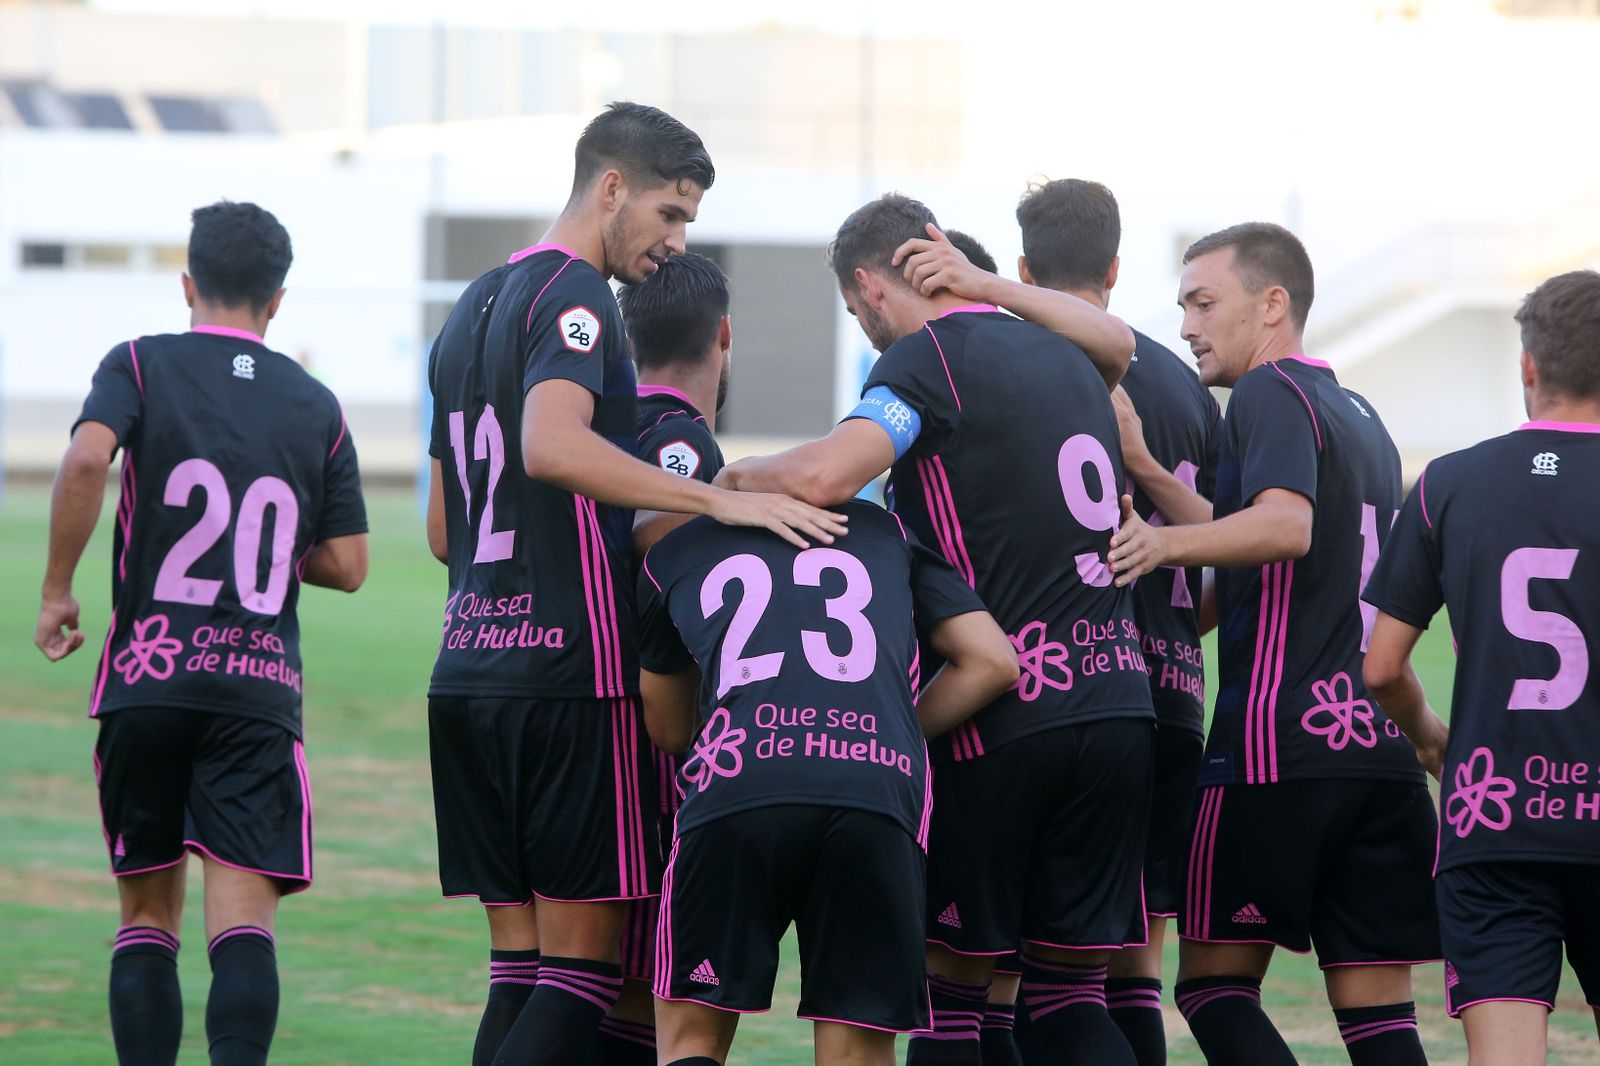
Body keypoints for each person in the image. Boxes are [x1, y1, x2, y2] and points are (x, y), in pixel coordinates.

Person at [422, 102, 847, 1066]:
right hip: (571, 681)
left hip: (469, 674)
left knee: (522, 974)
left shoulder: (470, 307)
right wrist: (715, 504)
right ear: (610, 188)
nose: (675, 240)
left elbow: (447, 528)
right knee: (584, 974)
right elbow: (550, 445)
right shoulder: (576, 302)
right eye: (669, 213)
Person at [720, 194, 1154, 1066]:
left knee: (951, 995)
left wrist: (733, 479)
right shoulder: (1071, 354)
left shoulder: (924, 364)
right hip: (1118, 703)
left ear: (873, 288)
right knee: (1069, 996)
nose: (866, 328)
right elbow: (1122, 344)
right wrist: (986, 280)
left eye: (855, 312)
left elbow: (827, 476)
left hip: (1007, 713)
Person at [34, 200, 369, 1066]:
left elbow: (82, 460)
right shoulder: (316, 403)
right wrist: (261, 551)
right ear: (278, 301)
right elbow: (349, 563)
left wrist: (57, 592)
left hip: (147, 681)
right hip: (257, 690)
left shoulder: (140, 366)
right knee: (244, 925)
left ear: (188, 283)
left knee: (147, 917)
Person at [1108, 223, 1438, 1066]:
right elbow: (1258, 552)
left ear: (1272, 304)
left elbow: (1283, 529)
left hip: (1275, 751)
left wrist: (1157, 544)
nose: (1186, 325)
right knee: (1378, 1014)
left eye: (1203, 303)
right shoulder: (1359, 415)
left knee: (1212, 988)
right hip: (1379, 753)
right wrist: (1149, 470)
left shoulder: (1265, 394)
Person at [636, 499, 1020, 1066]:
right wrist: (885, 732)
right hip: (876, 788)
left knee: (691, 1038)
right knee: (857, 1046)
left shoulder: (672, 549)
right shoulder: (884, 530)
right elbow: (993, 661)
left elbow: (669, 729)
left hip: (739, 784)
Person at [1363, 270, 1600, 1066]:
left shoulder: (1448, 482)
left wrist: (1434, 742)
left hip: (1494, 819)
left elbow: (1382, 667)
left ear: (1528, 367)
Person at [1015, 178, 1219, 1066]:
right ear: (1114, 266)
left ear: (1021, 269)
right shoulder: (1189, 388)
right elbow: (1224, 545)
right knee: (1133, 965)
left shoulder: (1026, 366)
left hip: (1071, 693)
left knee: (1037, 974)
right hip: (1174, 696)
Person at [576, 251, 735, 1066]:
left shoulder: (590, 428)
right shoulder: (680, 442)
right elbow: (666, 594)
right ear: (724, 336)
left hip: (560, 706)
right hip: (643, 736)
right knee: (640, 978)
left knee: (570, 972)